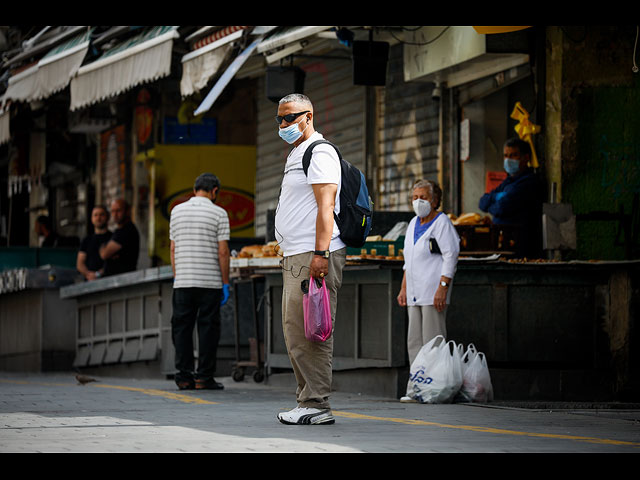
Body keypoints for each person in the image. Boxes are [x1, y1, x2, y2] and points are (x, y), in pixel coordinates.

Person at [274, 93, 346, 425]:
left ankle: (317, 403)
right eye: (280, 119)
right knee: (295, 331)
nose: (284, 124)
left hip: (311, 255)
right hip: (297, 255)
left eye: (290, 117)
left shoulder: (320, 152)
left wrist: (321, 253)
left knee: (311, 330)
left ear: (309, 116)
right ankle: (307, 401)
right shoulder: (298, 153)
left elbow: (326, 206)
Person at [397, 179, 460, 403]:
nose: (418, 201)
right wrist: (403, 288)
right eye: (414, 197)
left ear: (434, 200)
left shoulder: (442, 223)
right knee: (414, 343)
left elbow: (451, 256)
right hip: (414, 292)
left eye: (423, 197)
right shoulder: (413, 223)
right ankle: (416, 389)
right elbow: (408, 261)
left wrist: (443, 288)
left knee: (432, 342)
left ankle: (435, 389)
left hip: (433, 293)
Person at [169, 173, 230, 391]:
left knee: (182, 329)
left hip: (183, 282)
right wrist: (225, 282)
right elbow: (223, 252)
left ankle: (184, 377)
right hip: (210, 283)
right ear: (214, 191)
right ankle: (204, 378)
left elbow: (173, 249)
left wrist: (178, 276)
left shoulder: (176, 211)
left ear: (195, 190)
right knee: (207, 330)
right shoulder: (219, 213)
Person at [478, 137, 544, 258]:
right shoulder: (508, 181)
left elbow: (502, 208)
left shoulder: (529, 182)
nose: (508, 160)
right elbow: (482, 202)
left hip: (521, 248)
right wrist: (498, 197)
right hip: (503, 245)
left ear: (526, 158)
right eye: (506, 155)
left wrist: (494, 201)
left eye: (514, 155)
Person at [99, 199, 139, 276]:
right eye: (113, 211)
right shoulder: (119, 230)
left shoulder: (127, 230)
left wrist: (104, 248)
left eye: (118, 211)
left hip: (123, 281)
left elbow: (104, 254)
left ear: (127, 211)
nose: (115, 214)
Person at [76, 205, 112, 281]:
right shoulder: (86, 240)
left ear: (107, 217)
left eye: (101, 215)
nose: (98, 218)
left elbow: (116, 262)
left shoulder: (113, 238)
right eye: (95, 215)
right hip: (89, 282)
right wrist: (89, 275)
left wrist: (98, 274)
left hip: (108, 281)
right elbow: (80, 264)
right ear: (92, 219)